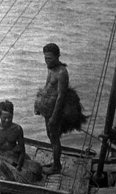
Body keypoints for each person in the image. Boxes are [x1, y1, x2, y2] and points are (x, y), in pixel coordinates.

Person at [34, 43, 87, 175]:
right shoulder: (51, 68)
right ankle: (55, 161)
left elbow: (61, 97)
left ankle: (56, 166)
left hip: (55, 111)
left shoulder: (62, 73)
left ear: (58, 57)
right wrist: (39, 104)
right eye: (45, 58)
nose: (47, 61)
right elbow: (47, 88)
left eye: (50, 58)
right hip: (48, 108)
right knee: (50, 135)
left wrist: (54, 116)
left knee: (54, 136)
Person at [0, 100, 42, 183]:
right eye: (4, 118)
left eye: (10, 117)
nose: (7, 120)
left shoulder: (17, 129)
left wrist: (19, 164)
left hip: (14, 156)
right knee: (0, 170)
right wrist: (6, 159)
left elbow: (22, 150)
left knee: (36, 169)